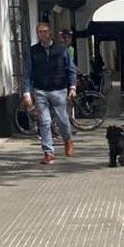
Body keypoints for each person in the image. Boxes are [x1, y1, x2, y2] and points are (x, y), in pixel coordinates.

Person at [23, 22, 77, 164]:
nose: (42, 34)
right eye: (39, 32)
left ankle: (68, 140)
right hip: (40, 90)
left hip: (59, 89)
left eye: (45, 31)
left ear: (50, 32)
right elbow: (28, 73)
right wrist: (27, 93)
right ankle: (48, 152)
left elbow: (70, 69)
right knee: (45, 122)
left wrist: (72, 87)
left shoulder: (61, 50)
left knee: (63, 120)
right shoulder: (33, 51)